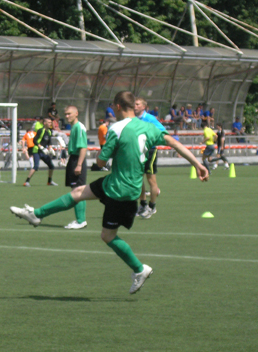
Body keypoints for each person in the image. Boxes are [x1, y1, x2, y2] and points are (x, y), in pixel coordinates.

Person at [11, 91, 209, 294]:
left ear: (118, 106)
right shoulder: (148, 127)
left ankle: (140, 269)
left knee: (107, 236)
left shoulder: (117, 128)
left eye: (113, 106)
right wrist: (198, 164)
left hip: (120, 191)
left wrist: (106, 151)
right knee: (78, 192)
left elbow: (100, 162)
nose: (112, 109)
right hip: (120, 184)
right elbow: (174, 143)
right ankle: (36, 215)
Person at [14, 106, 89, 229]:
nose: (67, 116)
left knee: (78, 191)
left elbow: (83, 147)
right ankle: (79, 220)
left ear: (76, 113)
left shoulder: (79, 127)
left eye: (69, 114)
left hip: (76, 160)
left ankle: (79, 220)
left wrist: (79, 164)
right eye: (66, 114)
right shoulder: (74, 127)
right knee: (77, 191)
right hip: (73, 159)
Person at [135, 98, 165, 219]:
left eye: (137, 104)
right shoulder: (133, 119)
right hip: (138, 152)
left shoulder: (150, 118)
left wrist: (150, 140)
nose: (135, 106)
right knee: (138, 178)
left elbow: (162, 131)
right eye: (134, 104)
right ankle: (143, 205)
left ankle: (152, 206)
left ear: (143, 107)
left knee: (151, 179)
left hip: (150, 151)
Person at [23, 117, 57, 187]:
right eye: (49, 122)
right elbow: (34, 140)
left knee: (51, 166)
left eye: (51, 122)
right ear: (45, 123)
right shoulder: (40, 131)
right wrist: (40, 147)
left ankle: (49, 181)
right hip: (37, 151)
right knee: (36, 166)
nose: (50, 124)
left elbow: (49, 141)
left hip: (43, 152)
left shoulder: (49, 131)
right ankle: (26, 182)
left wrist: (51, 148)